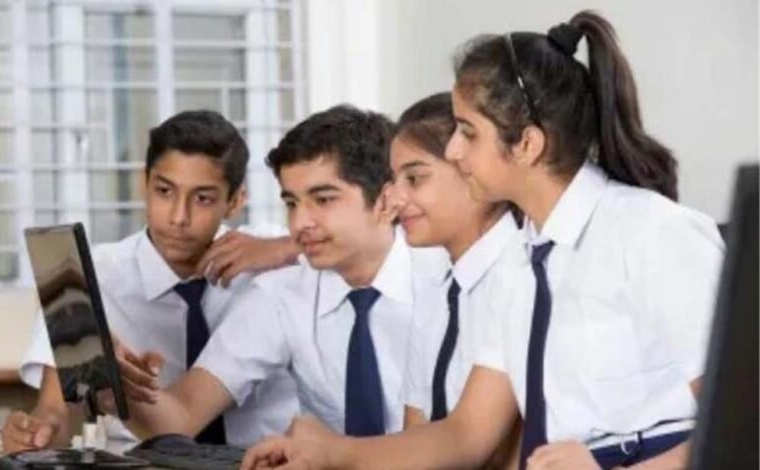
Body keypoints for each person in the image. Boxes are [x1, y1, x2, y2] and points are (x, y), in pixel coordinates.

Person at [241, 10, 724, 470]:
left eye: (468, 133)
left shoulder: (651, 233)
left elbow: (743, 419)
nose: (454, 150)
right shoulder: (522, 263)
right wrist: (332, 453)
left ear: (527, 144)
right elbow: (466, 434)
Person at [113, 105, 448, 442]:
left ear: (386, 202)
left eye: (323, 200)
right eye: (292, 203)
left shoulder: (446, 281)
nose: (299, 223)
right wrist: (112, 377)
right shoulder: (280, 296)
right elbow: (181, 416)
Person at [2, 110, 300, 453]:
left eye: (202, 198)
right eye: (164, 191)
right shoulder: (95, 275)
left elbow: (348, 245)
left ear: (235, 201)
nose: (178, 217)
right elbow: (57, 410)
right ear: (144, 184)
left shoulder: (270, 258)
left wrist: (289, 247)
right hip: (143, 459)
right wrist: (37, 434)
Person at [388, 92, 521, 468]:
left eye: (415, 178)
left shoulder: (522, 274)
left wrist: (335, 451)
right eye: (394, 180)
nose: (395, 199)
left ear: (471, 167)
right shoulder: (437, 290)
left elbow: (497, 450)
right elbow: (415, 435)